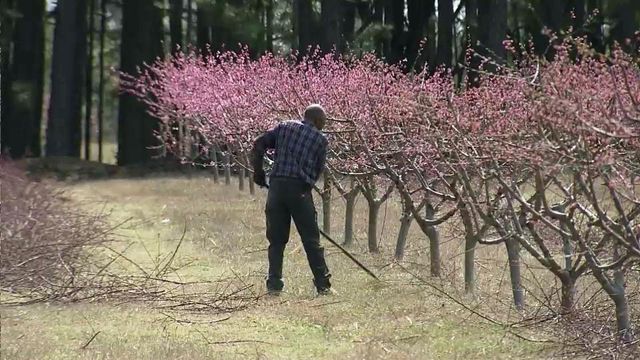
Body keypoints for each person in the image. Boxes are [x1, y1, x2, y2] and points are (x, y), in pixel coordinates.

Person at [251, 104, 333, 296]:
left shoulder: (284, 127)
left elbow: (258, 143)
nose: (324, 124)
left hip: (277, 188)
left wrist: (258, 172)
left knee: (276, 240)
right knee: (311, 240)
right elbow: (318, 170)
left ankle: (274, 284)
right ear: (318, 120)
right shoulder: (320, 140)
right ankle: (323, 285)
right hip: (300, 190)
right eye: (324, 121)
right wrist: (305, 189)